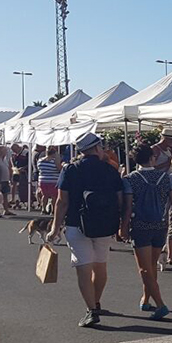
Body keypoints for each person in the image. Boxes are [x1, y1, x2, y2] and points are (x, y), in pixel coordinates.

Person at [46, 133, 124, 327]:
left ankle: (90, 309)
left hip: (77, 223)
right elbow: (120, 199)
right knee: (101, 265)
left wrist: (55, 227)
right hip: (105, 224)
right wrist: (121, 223)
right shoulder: (110, 170)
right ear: (97, 148)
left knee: (83, 267)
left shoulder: (71, 169)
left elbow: (61, 201)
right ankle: (96, 302)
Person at [120, 145, 172, 320]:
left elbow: (128, 207)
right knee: (151, 265)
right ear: (152, 158)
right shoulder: (167, 178)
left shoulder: (130, 179)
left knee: (144, 268)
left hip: (140, 225)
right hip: (161, 225)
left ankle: (160, 304)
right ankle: (146, 299)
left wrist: (123, 226)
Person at [38, 146, 62, 214]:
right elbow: (59, 169)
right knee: (54, 196)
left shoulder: (40, 161)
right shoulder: (54, 161)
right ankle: (53, 210)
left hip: (42, 180)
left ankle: (43, 209)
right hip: (53, 180)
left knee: (44, 195)